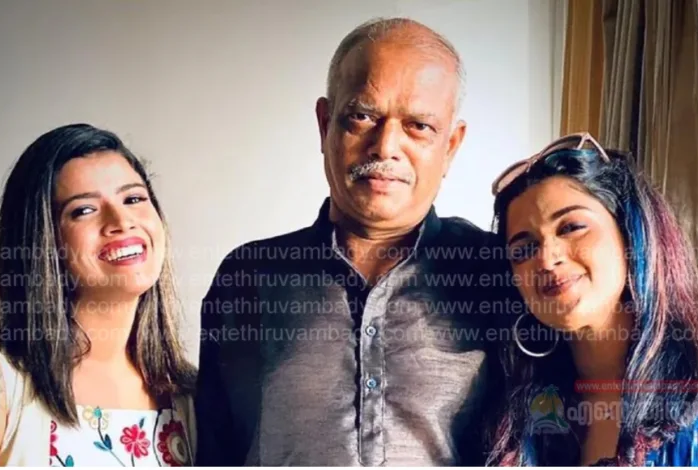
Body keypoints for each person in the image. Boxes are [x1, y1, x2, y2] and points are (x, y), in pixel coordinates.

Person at [195, 18, 506, 466]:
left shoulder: (498, 273)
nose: (385, 147)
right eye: (362, 117)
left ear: (451, 145)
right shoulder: (246, 278)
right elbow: (213, 449)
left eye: (419, 125)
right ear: (325, 124)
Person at [484, 132, 698, 466]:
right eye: (524, 249)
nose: (547, 259)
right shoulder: (517, 417)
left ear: (630, 235)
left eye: (571, 227)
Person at [0, 124, 197, 466]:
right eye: (84, 210)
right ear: (43, 241)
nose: (121, 221)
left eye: (134, 199)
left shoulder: (190, 395)